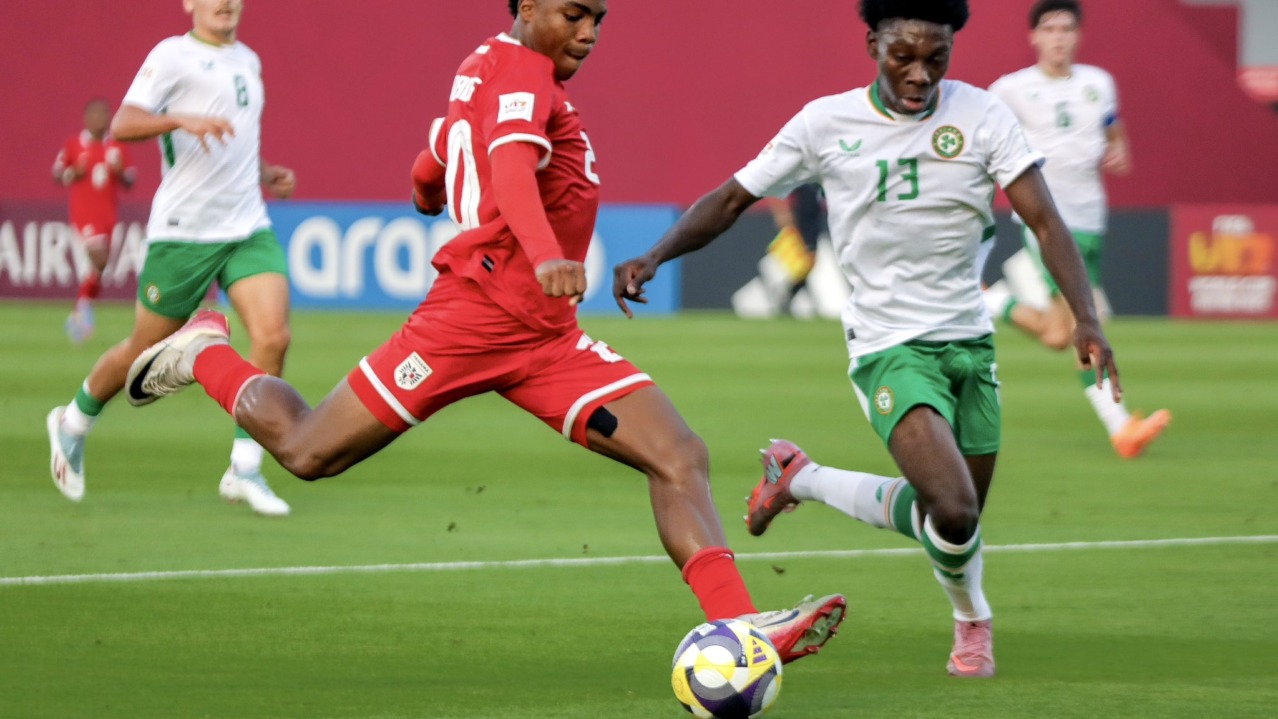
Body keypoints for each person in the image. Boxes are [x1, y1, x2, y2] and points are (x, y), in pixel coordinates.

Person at [124, 0, 846, 663]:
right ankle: (207, 353)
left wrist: (430, 190)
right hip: (474, 315)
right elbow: (506, 168)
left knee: (678, 452)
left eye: (599, 17)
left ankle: (739, 627)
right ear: (527, 8)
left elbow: (428, 169)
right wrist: (545, 254)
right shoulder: (526, 77)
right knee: (310, 451)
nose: (589, 32)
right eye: (573, 14)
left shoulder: (484, 70)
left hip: (544, 335)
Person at [615, 0, 1124, 678]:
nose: (919, 74)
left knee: (954, 522)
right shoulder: (825, 123)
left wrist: (1084, 315)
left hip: (969, 341)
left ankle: (803, 477)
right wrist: (654, 255)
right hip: (888, 345)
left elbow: (1045, 219)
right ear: (872, 43)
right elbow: (733, 198)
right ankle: (973, 619)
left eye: (935, 58)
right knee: (951, 503)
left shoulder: (982, 115)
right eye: (903, 56)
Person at [46, 0, 295, 516]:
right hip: (184, 232)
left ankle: (243, 468)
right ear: (189, 5)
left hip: (247, 226)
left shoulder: (248, 59)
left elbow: (238, 140)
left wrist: (263, 171)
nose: (225, 4)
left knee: (273, 336)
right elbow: (124, 123)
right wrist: (180, 118)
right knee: (145, 346)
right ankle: (72, 422)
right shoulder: (173, 55)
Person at [985, 0, 1169, 459]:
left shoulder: (1097, 83)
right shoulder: (1010, 89)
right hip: (1046, 220)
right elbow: (981, 136)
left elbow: (1113, 128)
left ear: (1077, 34)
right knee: (1087, 325)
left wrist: (1119, 150)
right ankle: (1120, 427)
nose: (1059, 37)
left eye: (1067, 28)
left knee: (1057, 333)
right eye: (1049, 28)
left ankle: (985, 299)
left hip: (1091, 218)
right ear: (1034, 37)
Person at [52, 98, 137, 343]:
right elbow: (57, 173)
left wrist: (120, 171)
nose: (103, 120)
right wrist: (72, 173)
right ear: (87, 118)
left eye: (106, 115)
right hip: (84, 214)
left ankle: (83, 309)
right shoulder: (74, 145)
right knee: (99, 259)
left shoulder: (117, 147)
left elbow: (130, 180)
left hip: (108, 215)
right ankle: (81, 310)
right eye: (98, 115)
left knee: (100, 267)